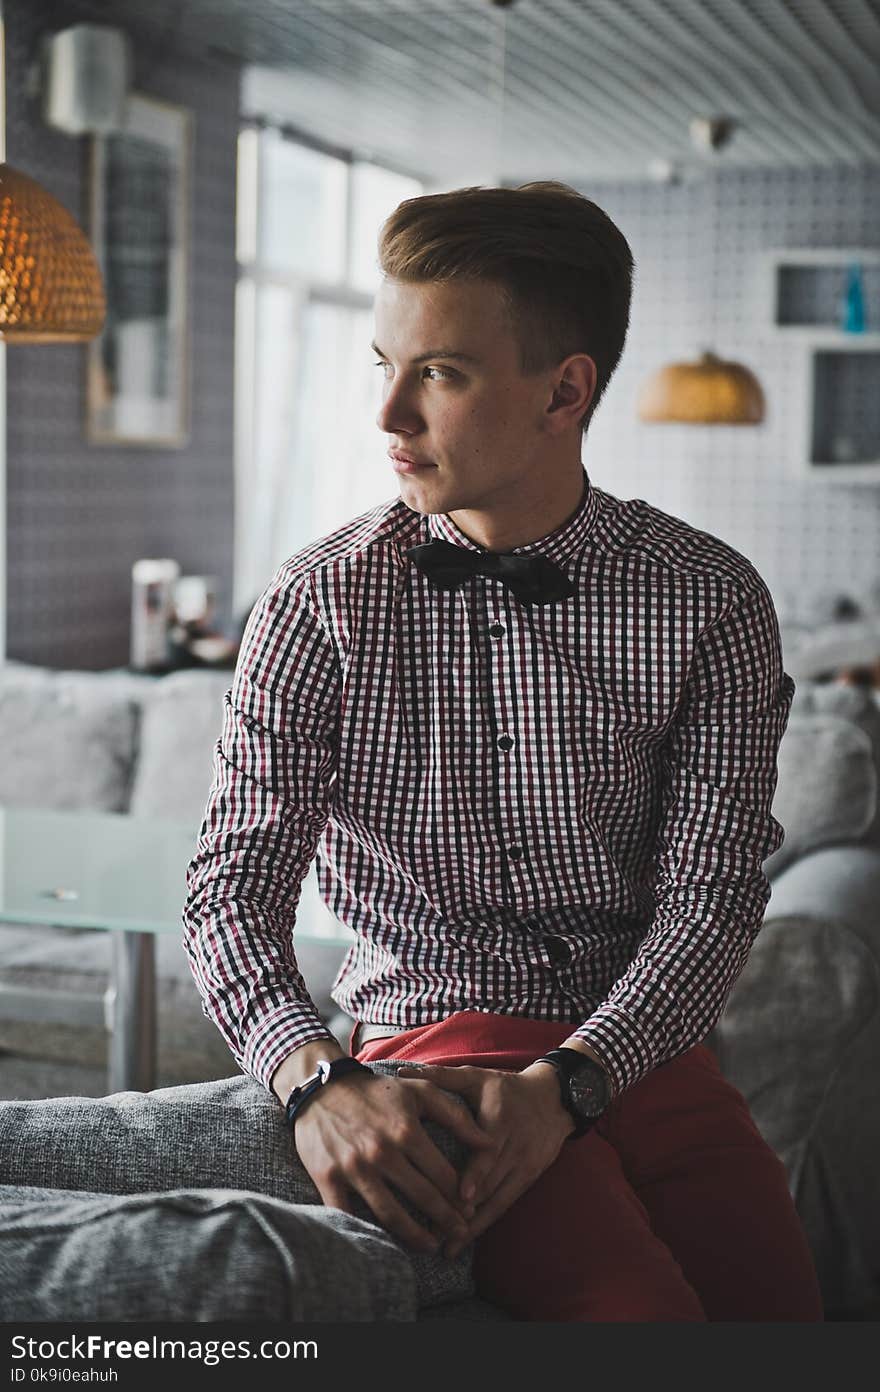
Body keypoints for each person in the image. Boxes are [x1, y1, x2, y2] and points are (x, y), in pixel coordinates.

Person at [183, 181, 823, 1322]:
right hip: (434, 1049)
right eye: (382, 363)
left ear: (563, 390)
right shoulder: (317, 601)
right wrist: (312, 1081)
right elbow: (227, 893)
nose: (388, 417)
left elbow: (714, 895)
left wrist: (577, 1078)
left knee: (785, 1310)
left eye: (440, 372)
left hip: (643, 1044)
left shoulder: (709, 598)